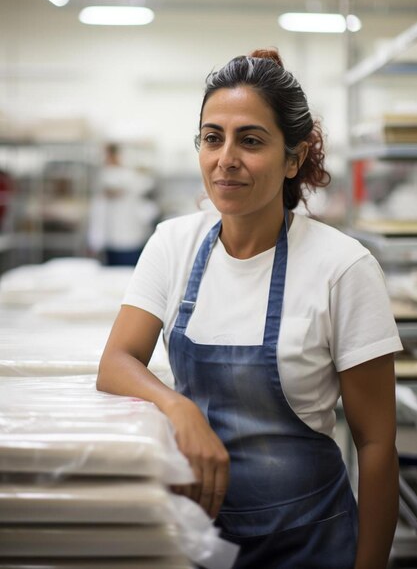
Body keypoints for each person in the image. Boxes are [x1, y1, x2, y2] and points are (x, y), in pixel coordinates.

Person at [97, 48, 402, 569]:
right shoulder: (174, 244)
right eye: (213, 138)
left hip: (311, 544)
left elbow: (375, 444)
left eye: (251, 141)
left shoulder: (343, 267)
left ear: (293, 158)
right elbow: (117, 362)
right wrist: (178, 407)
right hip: (194, 540)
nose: (226, 158)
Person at [88, 143, 159, 266]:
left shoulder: (130, 175)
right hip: (111, 239)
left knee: (127, 274)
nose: (105, 159)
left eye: (108, 155)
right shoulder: (105, 174)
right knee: (113, 274)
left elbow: (142, 186)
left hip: (130, 238)